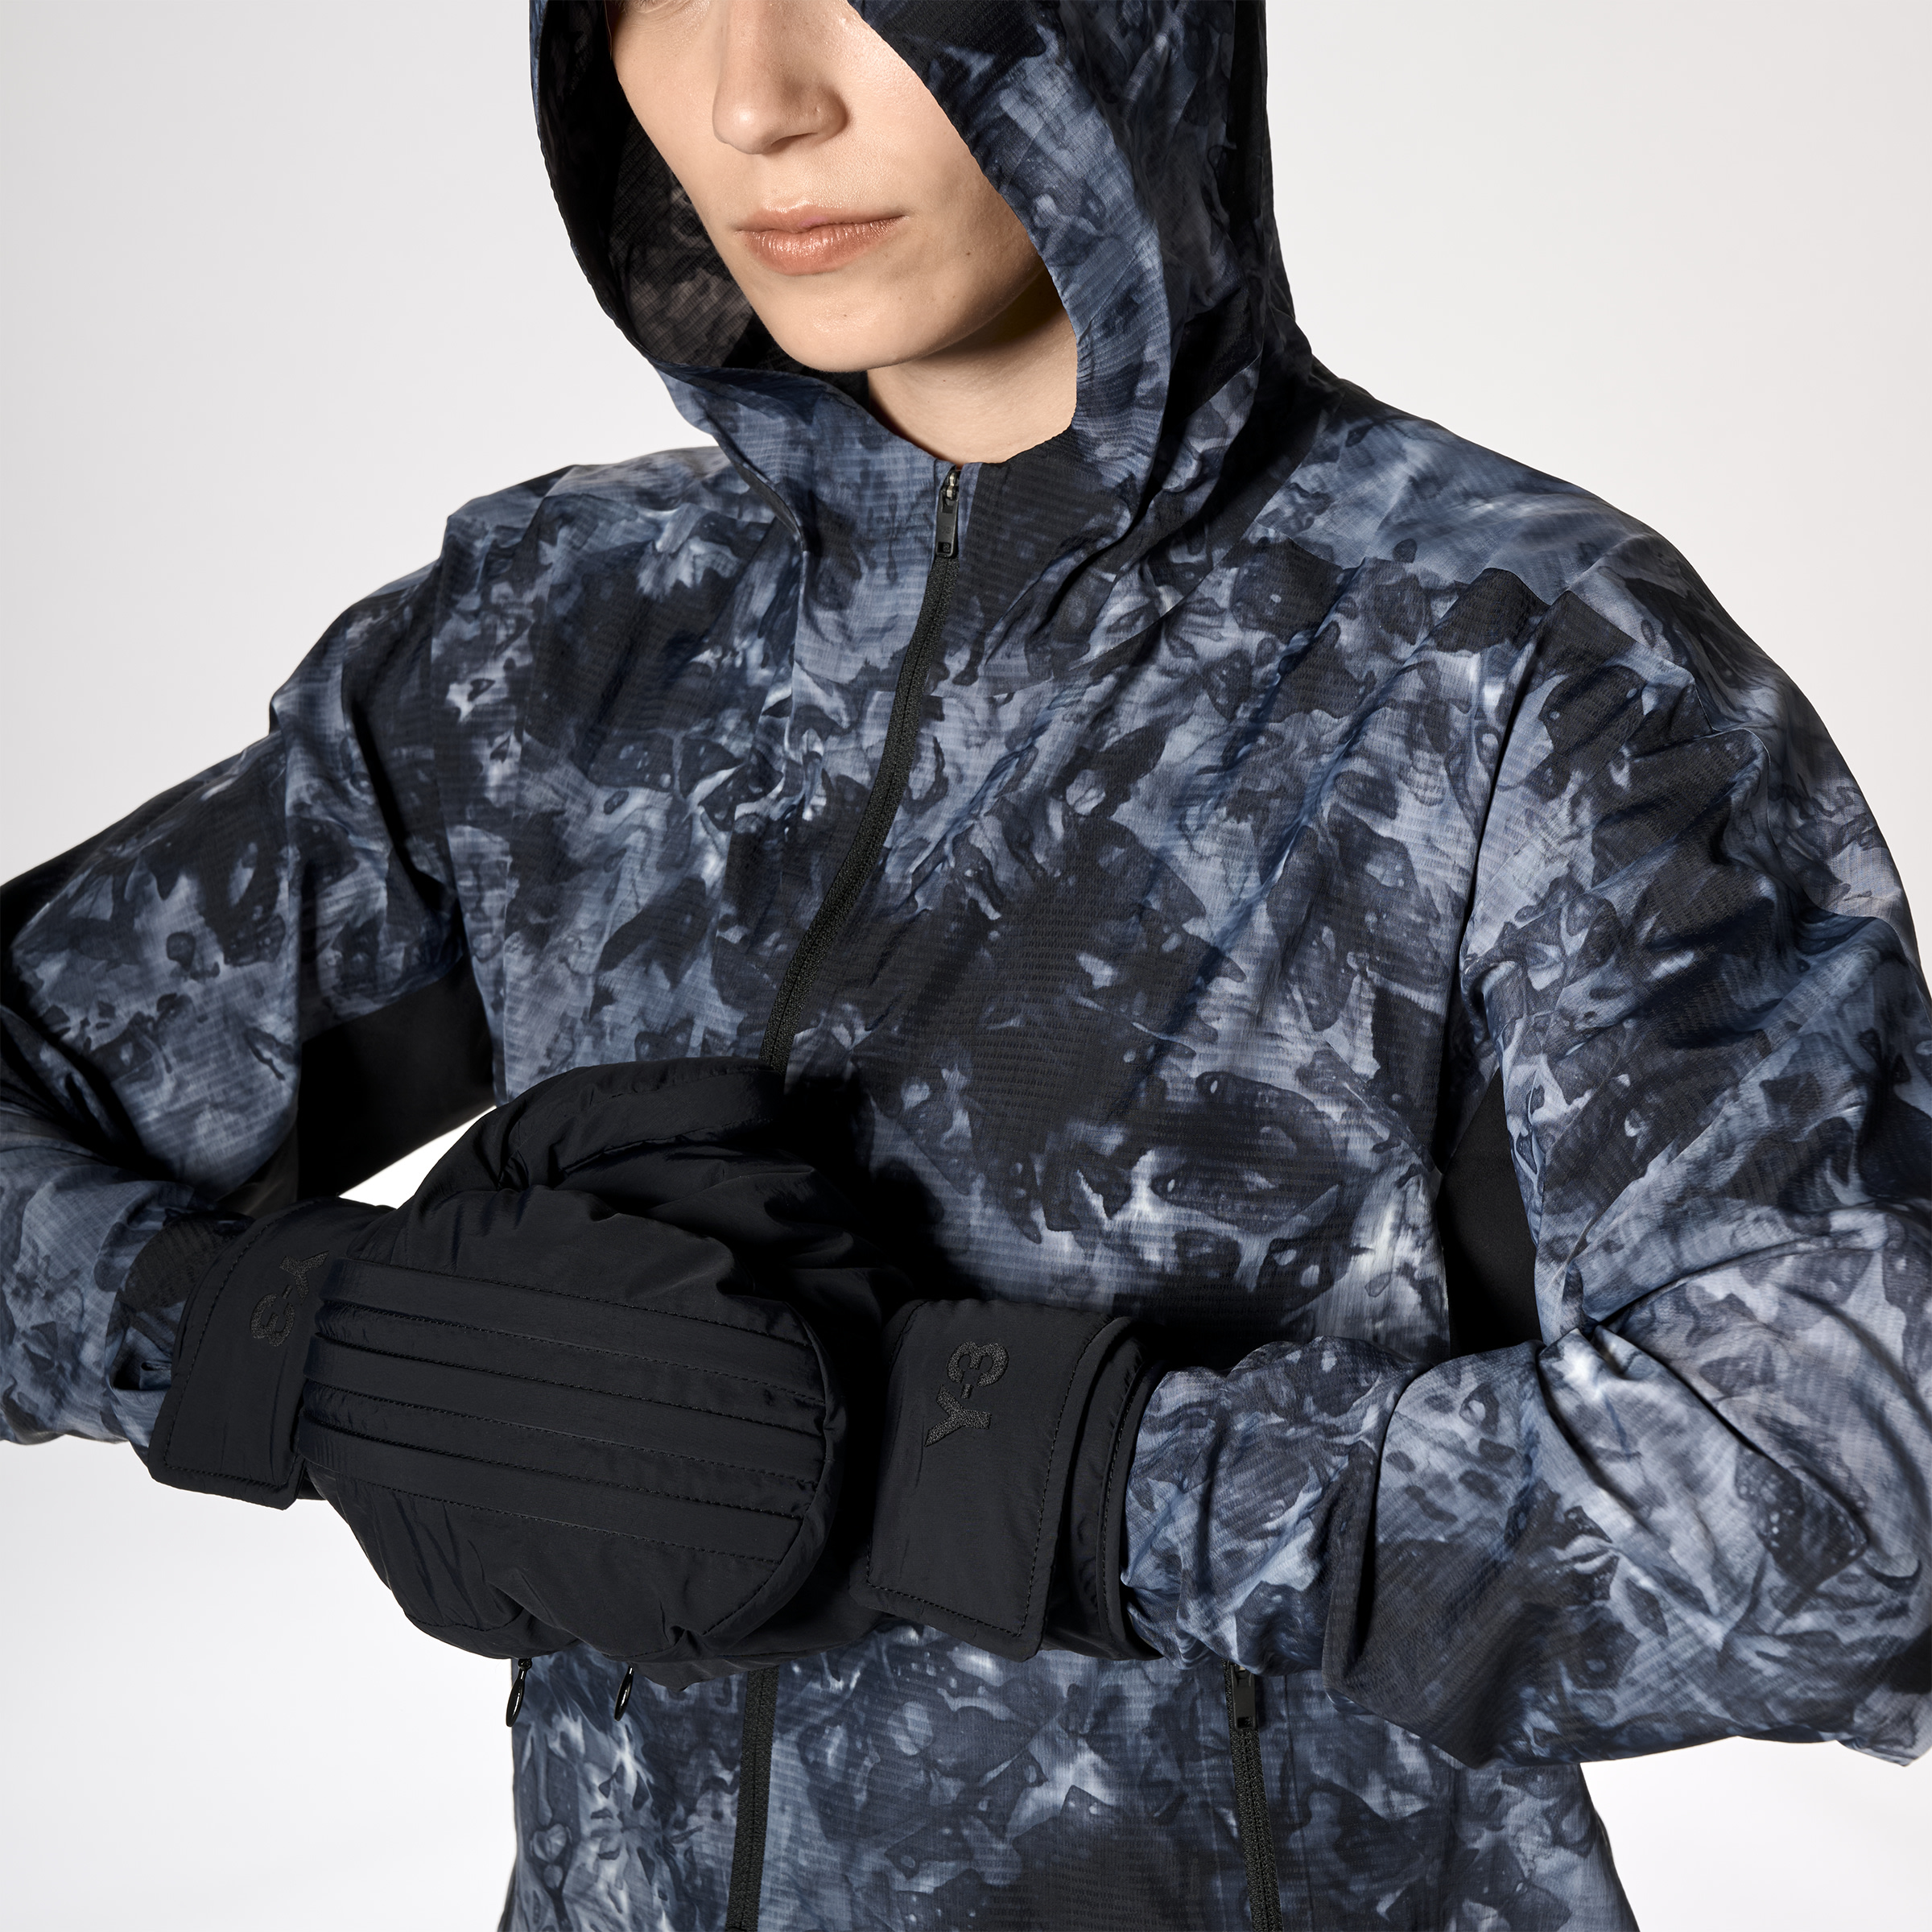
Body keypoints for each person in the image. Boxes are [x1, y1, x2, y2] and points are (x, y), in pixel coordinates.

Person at [2, 2, 1927, 1929]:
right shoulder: (558, 645)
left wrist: (996, 1471)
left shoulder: (1515, 666)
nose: (755, 99)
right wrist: (323, 1351)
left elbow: (1857, 1499)